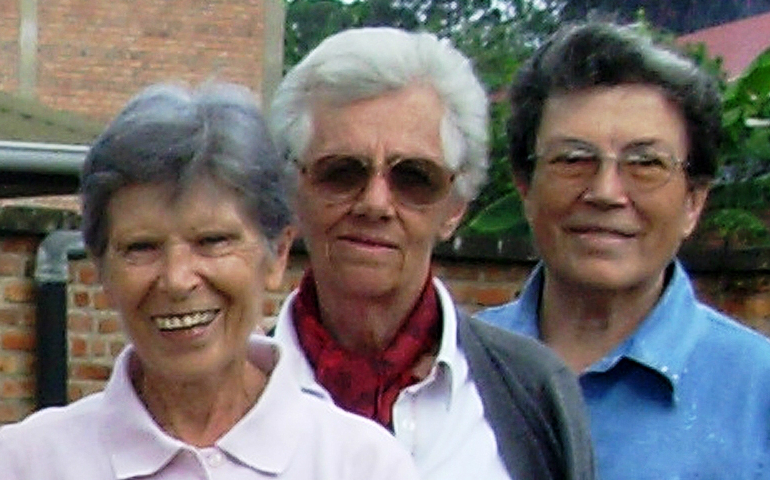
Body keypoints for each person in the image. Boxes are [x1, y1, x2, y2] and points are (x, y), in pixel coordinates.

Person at [0, 82, 421, 480]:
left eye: (212, 241)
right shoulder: (26, 463)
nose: (177, 280)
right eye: (141, 247)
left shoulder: (362, 465)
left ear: (276, 255)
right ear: (101, 271)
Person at [268, 27, 595, 480]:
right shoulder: (225, 393)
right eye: (342, 172)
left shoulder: (532, 392)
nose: (375, 204)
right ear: (294, 191)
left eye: (414, 178)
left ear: (455, 206)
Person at [478, 20, 770, 479]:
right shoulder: (448, 371)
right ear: (524, 187)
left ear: (694, 200)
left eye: (645, 163)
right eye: (573, 159)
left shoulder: (758, 393)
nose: (606, 192)